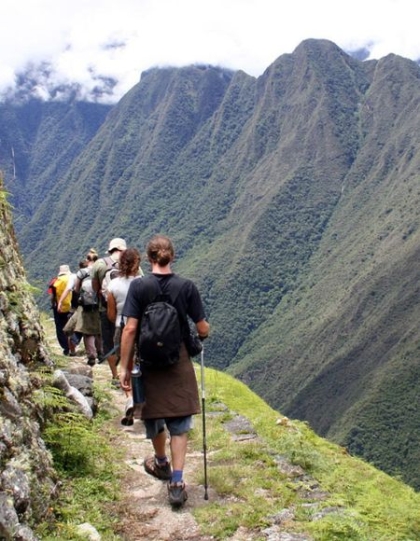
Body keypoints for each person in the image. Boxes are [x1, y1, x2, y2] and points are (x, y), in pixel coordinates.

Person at [119, 234, 210, 508]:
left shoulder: (139, 287)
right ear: (173, 257)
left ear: (148, 259)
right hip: (177, 360)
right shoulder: (187, 287)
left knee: (154, 416)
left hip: (147, 361)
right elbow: (202, 327)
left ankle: (161, 463)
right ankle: (178, 482)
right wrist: (201, 335)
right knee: (179, 423)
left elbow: (130, 328)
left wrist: (124, 366)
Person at [107, 247, 143, 423]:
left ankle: (129, 397)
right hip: (142, 327)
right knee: (141, 363)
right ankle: (142, 399)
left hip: (121, 327)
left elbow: (111, 314)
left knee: (126, 363)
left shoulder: (113, 285)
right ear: (137, 263)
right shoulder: (143, 283)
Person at [91, 238, 127, 385]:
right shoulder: (130, 262)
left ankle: (115, 376)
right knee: (128, 340)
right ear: (122, 249)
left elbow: (95, 287)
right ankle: (128, 373)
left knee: (109, 342)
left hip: (106, 309)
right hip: (127, 310)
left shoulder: (100, 264)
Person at [73, 256, 103, 366]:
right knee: (99, 330)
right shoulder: (100, 270)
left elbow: (76, 289)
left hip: (86, 305)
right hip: (99, 304)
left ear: (88, 260)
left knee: (87, 331)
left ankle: (91, 356)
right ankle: (101, 353)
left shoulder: (82, 272)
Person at [49, 264, 73, 355]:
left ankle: (65, 347)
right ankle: (72, 345)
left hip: (58, 307)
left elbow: (51, 296)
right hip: (70, 306)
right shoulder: (71, 279)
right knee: (70, 325)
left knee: (60, 327)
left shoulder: (54, 281)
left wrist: (53, 304)